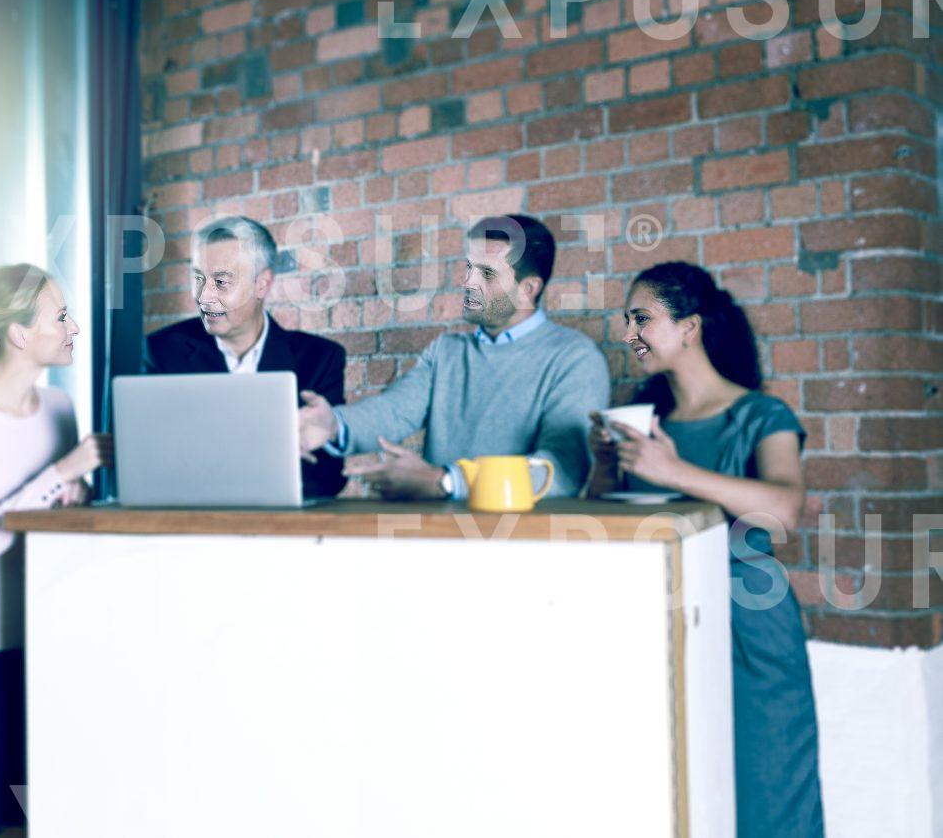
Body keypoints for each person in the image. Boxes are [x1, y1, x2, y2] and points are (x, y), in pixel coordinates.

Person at [586, 261, 824, 837]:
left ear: (689, 327)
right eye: (626, 320)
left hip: (751, 630)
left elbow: (785, 510)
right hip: (654, 625)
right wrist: (604, 465)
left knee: (767, 800)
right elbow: (605, 518)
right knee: (665, 799)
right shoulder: (644, 422)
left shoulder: (762, 415)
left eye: (641, 318)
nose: (628, 334)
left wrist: (674, 469)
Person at [0, 264, 113, 837]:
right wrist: (62, 471)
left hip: (52, 632)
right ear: (19, 335)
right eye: (59, 317)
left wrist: (74, 493)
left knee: (56, 809)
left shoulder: (59, 407)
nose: (72, 326)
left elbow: (61, 517)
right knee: (5, 818)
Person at [298, 214, 609, 500]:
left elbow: (560, 470)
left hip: (522, 545)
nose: (468, 282)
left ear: (527, 289)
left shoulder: (575, 358)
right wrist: (333, 425)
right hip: (440, 537)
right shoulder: (446, 350)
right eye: (469, 268)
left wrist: (447, 481)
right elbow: (393, 411)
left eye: (486, 273)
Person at [143, 215, 347, 497]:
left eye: (221, 282)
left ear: (262, 284)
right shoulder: (161, 352)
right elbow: (150, 465)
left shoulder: (319, 360)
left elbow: (326, 478)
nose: (204, 297)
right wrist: (268, 453)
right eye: (198, 278)